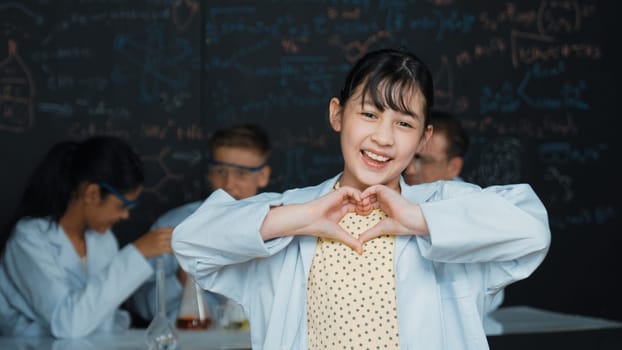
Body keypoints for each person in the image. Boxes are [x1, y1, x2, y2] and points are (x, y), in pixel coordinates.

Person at [172, 48, 551, 349]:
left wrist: (419, 219)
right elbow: (189, 243)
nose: (383, 138)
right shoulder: (295, 210)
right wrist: (298, 218)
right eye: (369, 114)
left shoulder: (440, 206)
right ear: (337, 115)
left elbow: (533, 231)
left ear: (423, 139)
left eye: (404, 123)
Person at [0, 136, 173, 338]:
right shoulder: (29, 239)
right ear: (91, 193)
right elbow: (68, 324)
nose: (125, 215)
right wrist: (137, 253)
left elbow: (103, 320)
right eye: (122, 205)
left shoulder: (103, 240)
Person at [127, 123, 271, 326]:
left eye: (241, 173)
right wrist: (182, 277)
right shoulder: (174, 226)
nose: (229, 183)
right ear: (209, 173)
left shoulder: (283, 228)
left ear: (263, 176)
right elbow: (143, 307)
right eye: (220, 171)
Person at [402, 109, 505, 334]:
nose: (409, 169)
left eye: (423, 160)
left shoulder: (479, 213)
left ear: (454, 167)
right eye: (410, 156)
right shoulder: (393, 198)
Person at [402, 109, 469, 185]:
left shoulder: (467, 196)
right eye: (407, 156)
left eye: (424, 161)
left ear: (453, 168)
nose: (409, 171)